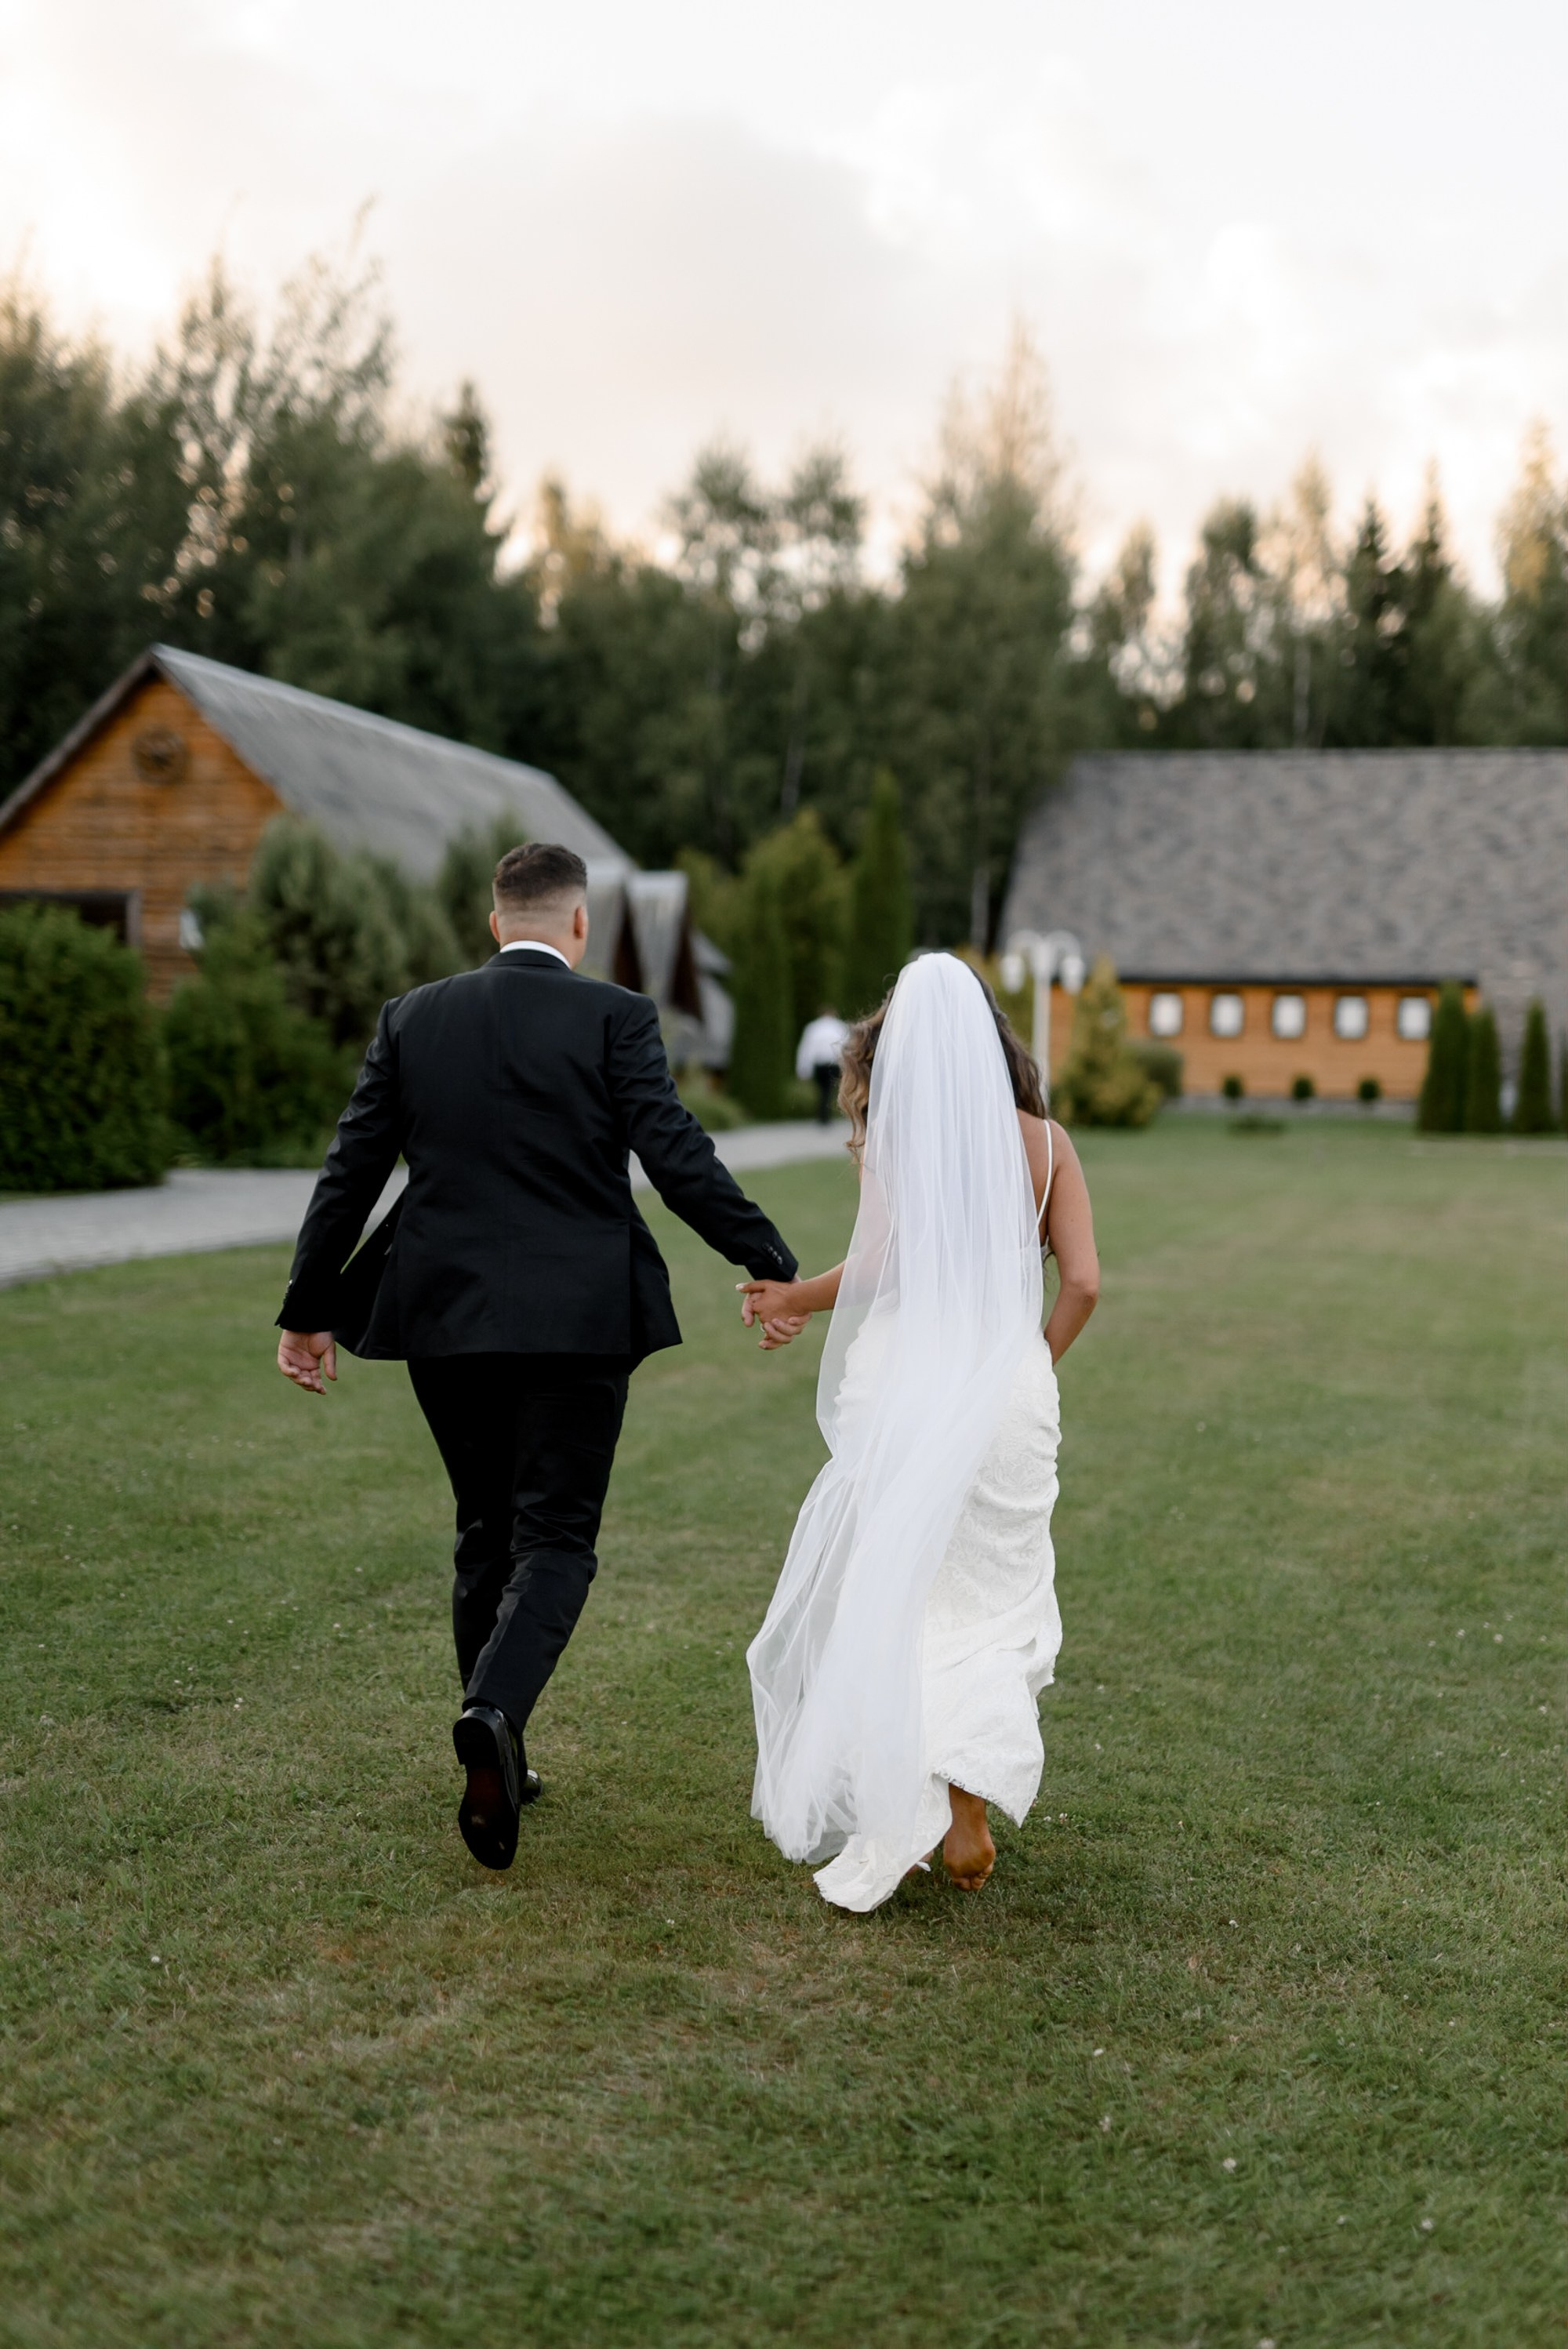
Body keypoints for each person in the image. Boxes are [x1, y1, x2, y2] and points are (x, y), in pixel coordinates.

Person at [275, 842, 797, 1872]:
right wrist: (767, 1257)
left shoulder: (412, 1018)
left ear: (493, 921)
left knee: (485, 1528)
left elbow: (352, 1170)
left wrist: (307, 1308)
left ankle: (495, 1727)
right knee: (555, 1538)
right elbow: (675, 1152)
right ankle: (494, 1715)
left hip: (443, 1315)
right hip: (579, 1316)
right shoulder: (615, 1016)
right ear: (579, 924)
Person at [738, 952, 1099, 1912]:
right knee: (994, 1598)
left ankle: (906, 1798)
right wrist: (1026, 1365)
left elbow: (879, 1265)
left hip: (900, 1385)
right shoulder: (1047, 1143)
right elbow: (1083, 1281)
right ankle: (963, 1793)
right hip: (1004, 1392)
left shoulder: (902, 1142)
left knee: (898, 1590)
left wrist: (794, 1298)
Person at [796, 1005, 850, 1124]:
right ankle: (826, 1115)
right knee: (829, 1089)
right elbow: (845, 1047)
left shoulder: (813, 1028)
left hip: (820, 1064)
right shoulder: (839, 1027)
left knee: (823, 1090)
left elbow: (806, 1049)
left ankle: (823, 1115)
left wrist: (803, 1069)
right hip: (833, 1063)